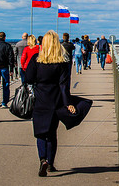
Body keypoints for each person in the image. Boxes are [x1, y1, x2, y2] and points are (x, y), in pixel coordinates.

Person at [25, 30, 75, 176]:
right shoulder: (62, 62)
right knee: (52, 133)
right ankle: (50, 163)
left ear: (43, 43)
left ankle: (42, 159)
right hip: (55, 100)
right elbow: (64, 85)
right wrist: (68, 103)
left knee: (40, 133)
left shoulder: (36, 59)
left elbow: (28, 79)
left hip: (40, 100)